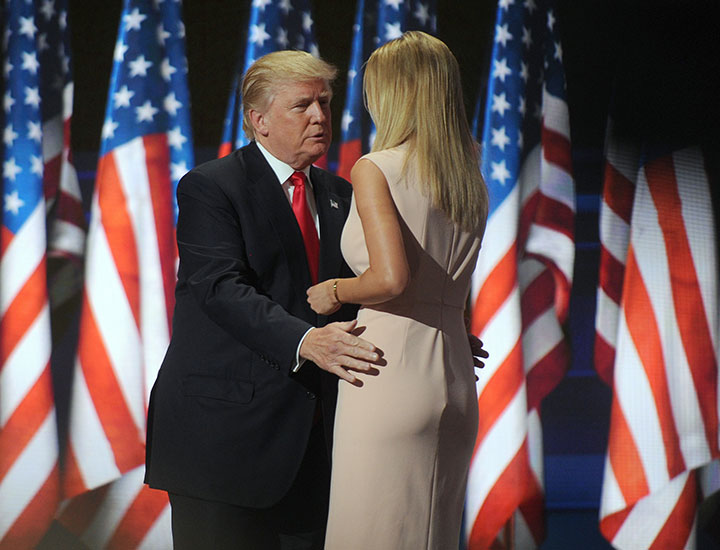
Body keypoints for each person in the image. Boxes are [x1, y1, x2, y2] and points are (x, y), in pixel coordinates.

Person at [144, 50, 379, 550]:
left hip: (315, 447)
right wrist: (306, 341)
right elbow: (219, 287)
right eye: (302, 105)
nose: (319, 116)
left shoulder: (342, 193)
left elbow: (360, 291)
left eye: (325, 103)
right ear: (259, 120)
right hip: (222, 444)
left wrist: (430, 330)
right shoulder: (212, 187)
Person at [306, 31, 489, 549]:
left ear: (394, 95)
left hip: (385, 371)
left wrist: (334, 290)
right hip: (453, 377)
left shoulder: (376, 168)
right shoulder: (467, 177)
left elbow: (391, 278)